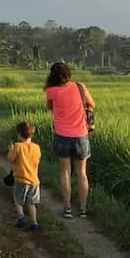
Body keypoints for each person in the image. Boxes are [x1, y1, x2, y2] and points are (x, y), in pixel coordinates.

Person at [45, 61, 95, 218]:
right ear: (69, 74)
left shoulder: (51, 91)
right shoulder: (80, 87)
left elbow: (50, 107)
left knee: (65, 172)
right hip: (81, 135)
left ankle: (67, 208)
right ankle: (83, 209)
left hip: (62, 136)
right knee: (82, 173)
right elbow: (92, 104)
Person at [8, 121, 41, 231]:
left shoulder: (17, 146)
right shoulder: (37, 147)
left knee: (18, 200)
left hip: (21, 179)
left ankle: (21, 217)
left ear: (19, 134)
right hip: (34, 180)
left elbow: (10, 159)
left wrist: (11, 150)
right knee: (31, 203)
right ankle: (34, 223)